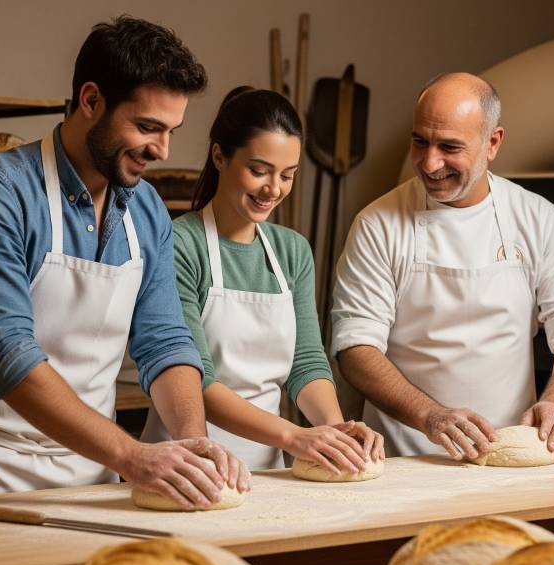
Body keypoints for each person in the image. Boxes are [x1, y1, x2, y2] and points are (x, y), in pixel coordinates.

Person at [0, 16, 249, 507]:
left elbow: (164, 339)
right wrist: (132, 455)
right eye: (147, 127)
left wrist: (189, 440)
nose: (161, 150)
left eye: (171, 131)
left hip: (94, 472)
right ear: (91, 100)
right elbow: (7, 356)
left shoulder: (147, 210)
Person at [331, 72, 554, 461]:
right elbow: (355, 347)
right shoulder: (378, 224)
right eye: (420, 141)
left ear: (492, 143)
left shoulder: (536, 217)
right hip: (406, 456)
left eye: (449, 146)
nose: (429, 162)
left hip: (512, 453)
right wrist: (430, 416)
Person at [142, 87, 384, 473]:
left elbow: (305, 363)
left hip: (269, 470)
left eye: (287, 175)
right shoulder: (180, 244)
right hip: (185, 459)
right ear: (220, 156)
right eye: (259, 171)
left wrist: (335, 429)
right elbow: (192, 377)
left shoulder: (292, 251)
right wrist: (292, 435)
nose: (274, 189)